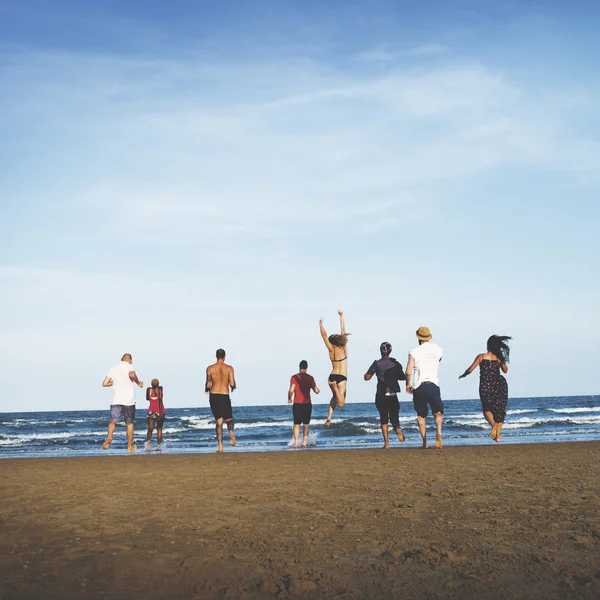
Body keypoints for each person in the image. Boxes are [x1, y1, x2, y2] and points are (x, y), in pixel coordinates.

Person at [459, 335, 512, 443]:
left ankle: (493, 425)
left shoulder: (481, 356)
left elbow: (470, 369)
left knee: (487, 409)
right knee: (499, 411)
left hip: (485, 385)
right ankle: (497, 437)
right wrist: (501, 359)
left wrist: (464, 375)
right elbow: (505, 370)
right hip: (499, 384)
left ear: (488, 345)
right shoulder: (498, 358)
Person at [405, 327, 444, 449]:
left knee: (421, 415)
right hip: (433, 384)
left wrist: (407, 384)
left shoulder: (414, 351)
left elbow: (408, 371)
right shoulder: (438, 349)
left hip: (419, 386)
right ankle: (438, 433)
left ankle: (425, 440)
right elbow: (439, 360)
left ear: (418, 337)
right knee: (437, 412)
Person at [364, 342, 407, 448]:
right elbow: (403, 377)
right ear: (390, 351)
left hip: (381, 394)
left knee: (383, 418)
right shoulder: (395, 363)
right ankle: (397, 429)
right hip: (392, 393)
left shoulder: (377, 363)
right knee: (394, 417)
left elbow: (367, 377)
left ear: (380, 351)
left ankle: (386, 443)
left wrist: (373, 373)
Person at [101, 353, 143, 453]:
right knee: (129, 423)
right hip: (128, 400)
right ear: (130, 360)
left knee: (113, 421)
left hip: (116, 400)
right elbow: (132, 374)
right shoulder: (130, 366)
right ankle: (129, 447)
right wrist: (138, 382)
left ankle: (110, 437)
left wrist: (115, 383)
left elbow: (104, 383)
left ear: (121, 359)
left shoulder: (113, 368)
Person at [320, 310, 349, 428]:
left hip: (332, 376)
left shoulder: (331, 350)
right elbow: (343, 331)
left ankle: (329, 417)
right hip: (341, 377)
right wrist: (341, 316)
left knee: (334, 397)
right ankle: (334, 387)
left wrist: (320, 324)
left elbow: (324, 336)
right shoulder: (343, 347)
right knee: (341, 404)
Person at [205, 349, 237, 453]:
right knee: (229, 419)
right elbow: (232, 383)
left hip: (214, 395)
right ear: (225, 356)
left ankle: (220, 446)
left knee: (219, 421)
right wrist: (233, 387)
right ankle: (231, 432)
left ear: (216, 356)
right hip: (224, 394)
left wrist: (206, 390)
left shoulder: (210, 368)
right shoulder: (229, 368)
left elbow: (208, 384)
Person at [288, 360, 320, 447]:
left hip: (297, 404)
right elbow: (316, 391)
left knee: (296, 424)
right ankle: (304, 443)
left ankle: (296, 442)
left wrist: (289, 398)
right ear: (307, 368)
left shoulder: (294, 377)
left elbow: (291, 389)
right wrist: (318, 390)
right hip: (307, 404)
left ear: (299, 367)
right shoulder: (310, 378)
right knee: (306, 424)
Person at [145, 378, 165, 450]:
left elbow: (147, 398)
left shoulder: (148, 390)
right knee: (159, 428)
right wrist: (160, 412)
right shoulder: (160, 389)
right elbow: (160, 400)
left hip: (151, 411)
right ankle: (159, 445)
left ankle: (148, 442)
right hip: (159, 411)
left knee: (150, 428)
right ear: (158, 384)